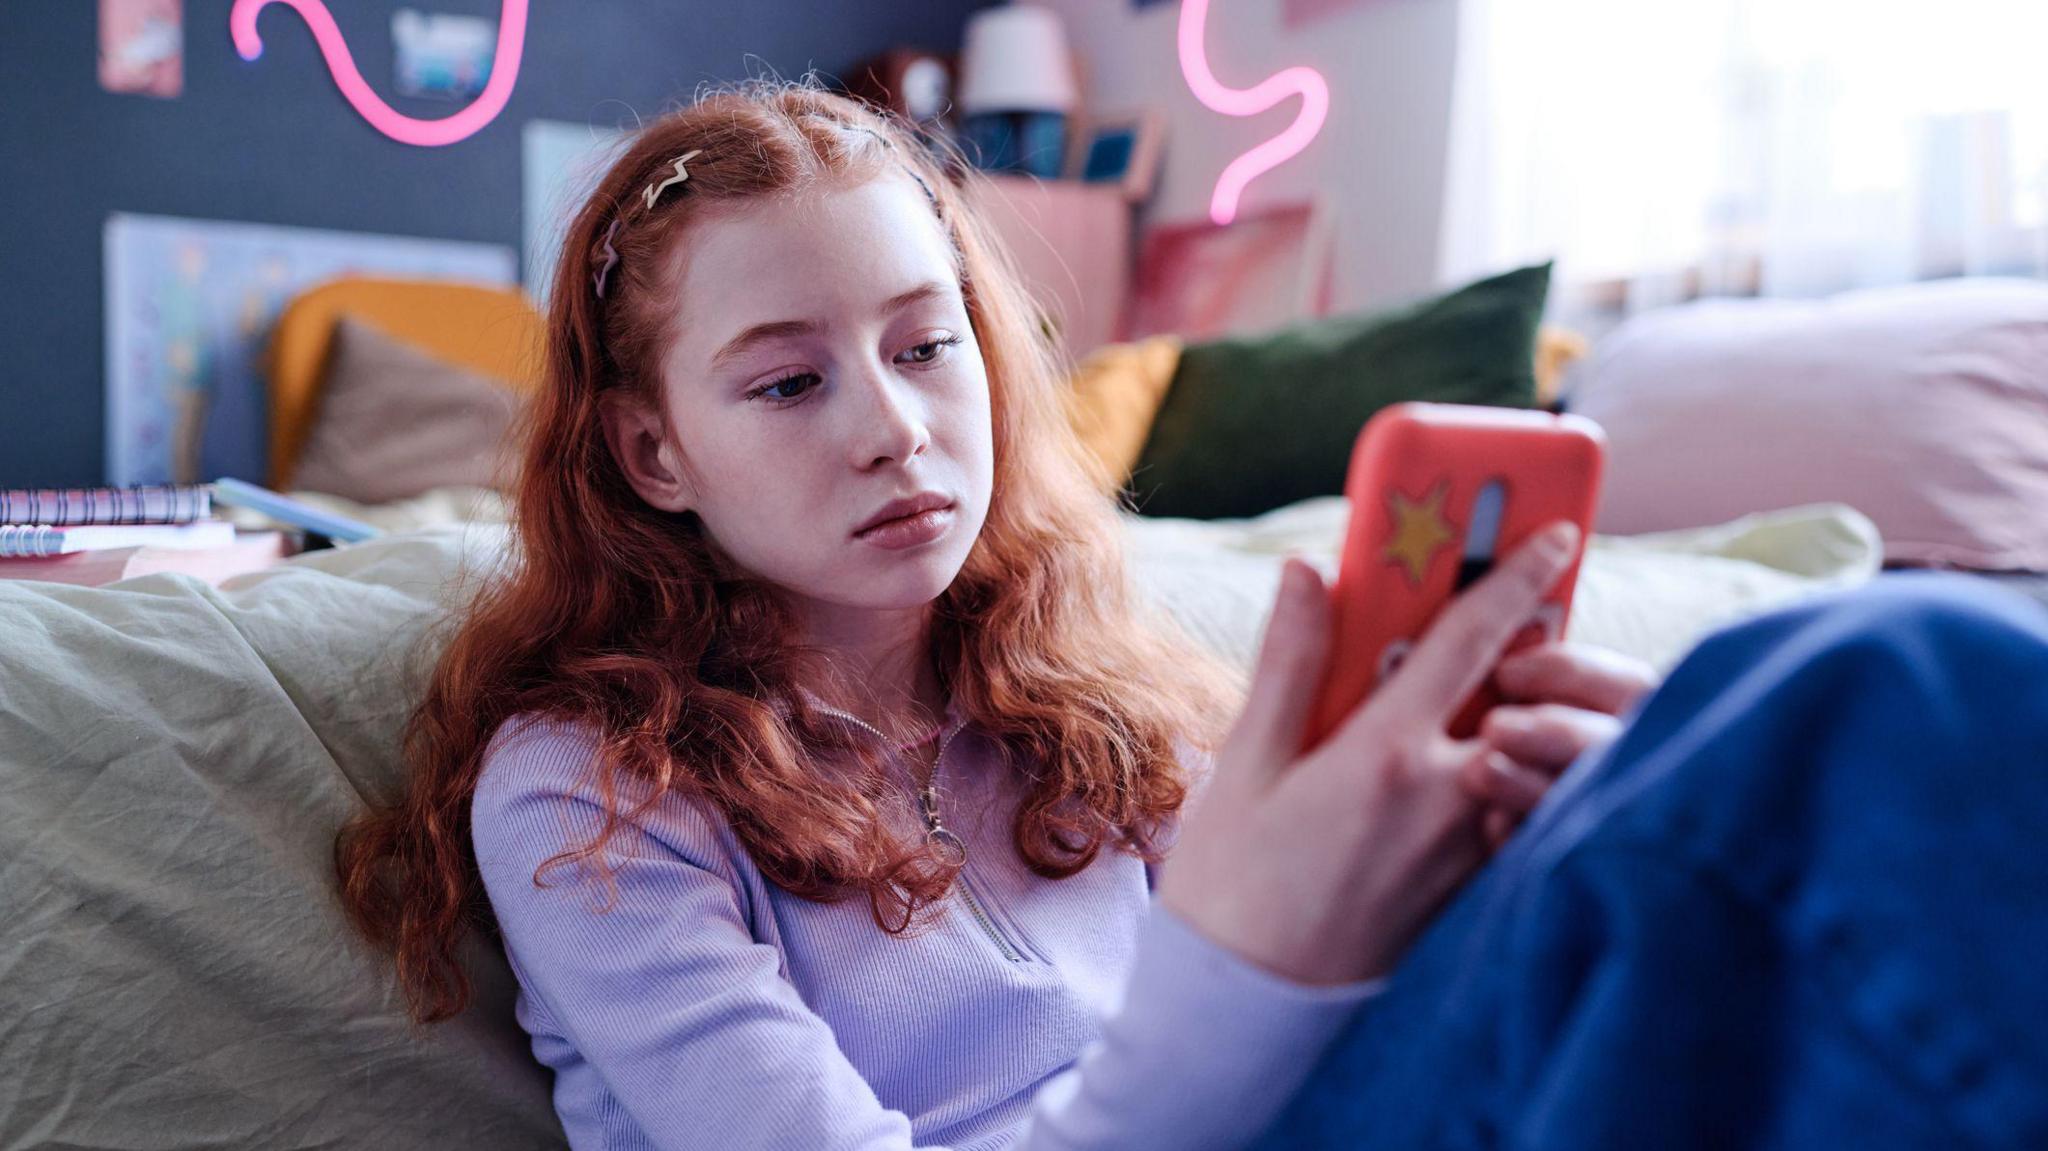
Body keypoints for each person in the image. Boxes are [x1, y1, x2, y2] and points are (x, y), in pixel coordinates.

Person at [333, 81, 2048, 1151]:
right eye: (785, 382)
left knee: (1837, 702)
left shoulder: (1074, 689)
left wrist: (1495, 855)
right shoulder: (591, 790)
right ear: (651, 449)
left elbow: (1331, 1023)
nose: (892, 423)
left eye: (929, 347)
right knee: (1887, 685)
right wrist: (1245, 945)